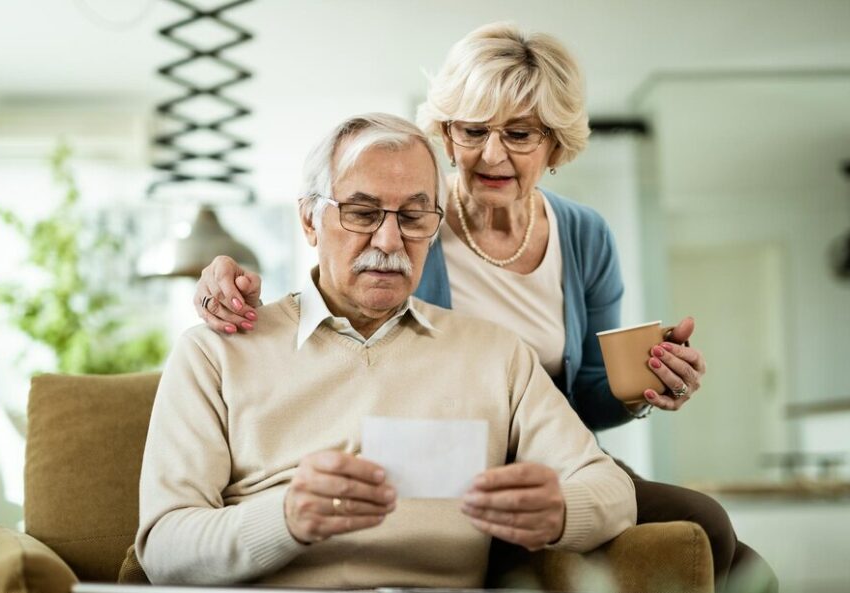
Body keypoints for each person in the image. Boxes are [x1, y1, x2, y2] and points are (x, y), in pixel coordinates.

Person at [191, 22, 775, 592]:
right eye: (473, 131)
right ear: (446, 136)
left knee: (718, 535)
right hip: (445, 458)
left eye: (519, 134)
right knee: (715, 536)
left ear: (554, 145)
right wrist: (227, 284)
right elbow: (341, 292)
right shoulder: (413, 219)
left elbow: (587, 396)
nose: (491, 154)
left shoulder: (584, 235)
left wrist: (645, 386)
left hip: (543, 454)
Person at [135, 113, 636, 587]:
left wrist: (563, 511)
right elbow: (163, 547)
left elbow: (612, 491)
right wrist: (285, 517)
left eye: (415, 217)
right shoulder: (215, 353)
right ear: (310, 220)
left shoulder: (495, 355)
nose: (391, 239)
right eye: (362, 212)